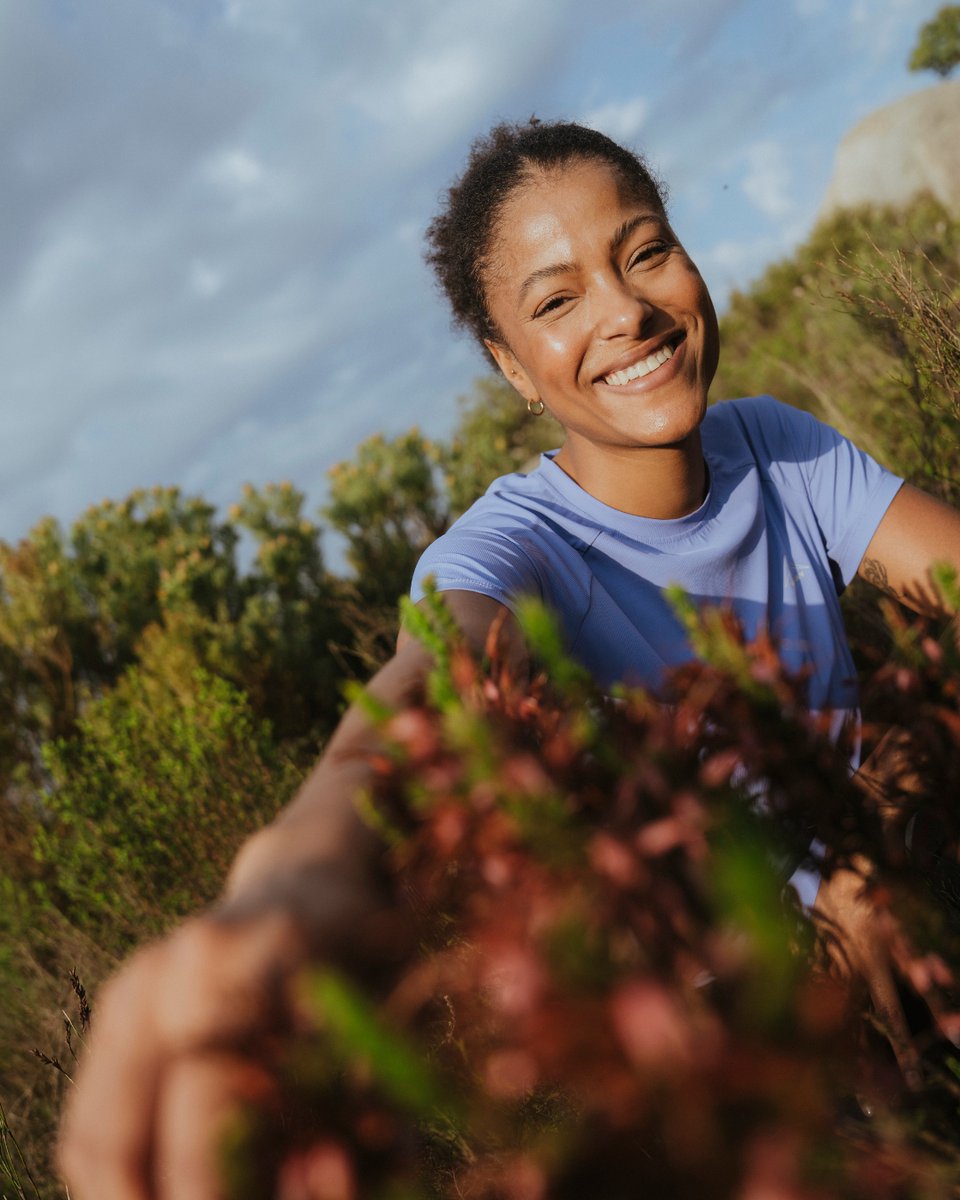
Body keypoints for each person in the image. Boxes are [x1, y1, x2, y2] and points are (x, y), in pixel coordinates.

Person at [58, 120, 960, 1199]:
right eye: (555, 301)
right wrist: (290, 885)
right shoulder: (512, 549)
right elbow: (430, 685)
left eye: (644, 251)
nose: (626, 311)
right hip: (758, 1072)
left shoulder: (776, 445)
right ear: (513, 370)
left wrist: (880, 828)